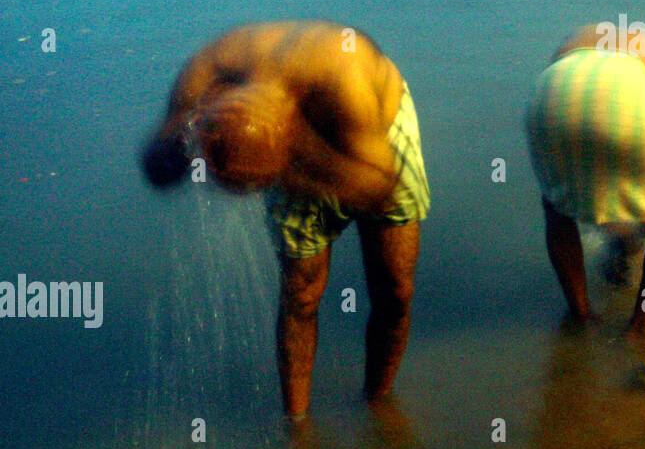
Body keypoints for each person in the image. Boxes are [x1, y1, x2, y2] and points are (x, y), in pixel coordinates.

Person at [139, 21, 430, 420]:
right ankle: (297, 427)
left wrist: (292, 153)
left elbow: (379, 185)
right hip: (282, 148)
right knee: (300, 295)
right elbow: (155, 169)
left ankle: (379, 406)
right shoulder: (210, 69)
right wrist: (190, 134)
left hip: (378, 139)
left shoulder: (341, 72)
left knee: (394, 290)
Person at [524, 24, 645, 331]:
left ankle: (581, 313)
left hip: (550, 90)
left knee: (556, 205)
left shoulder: (578, 37)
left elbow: (591, 157)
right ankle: (640, 327)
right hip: (622, 88)